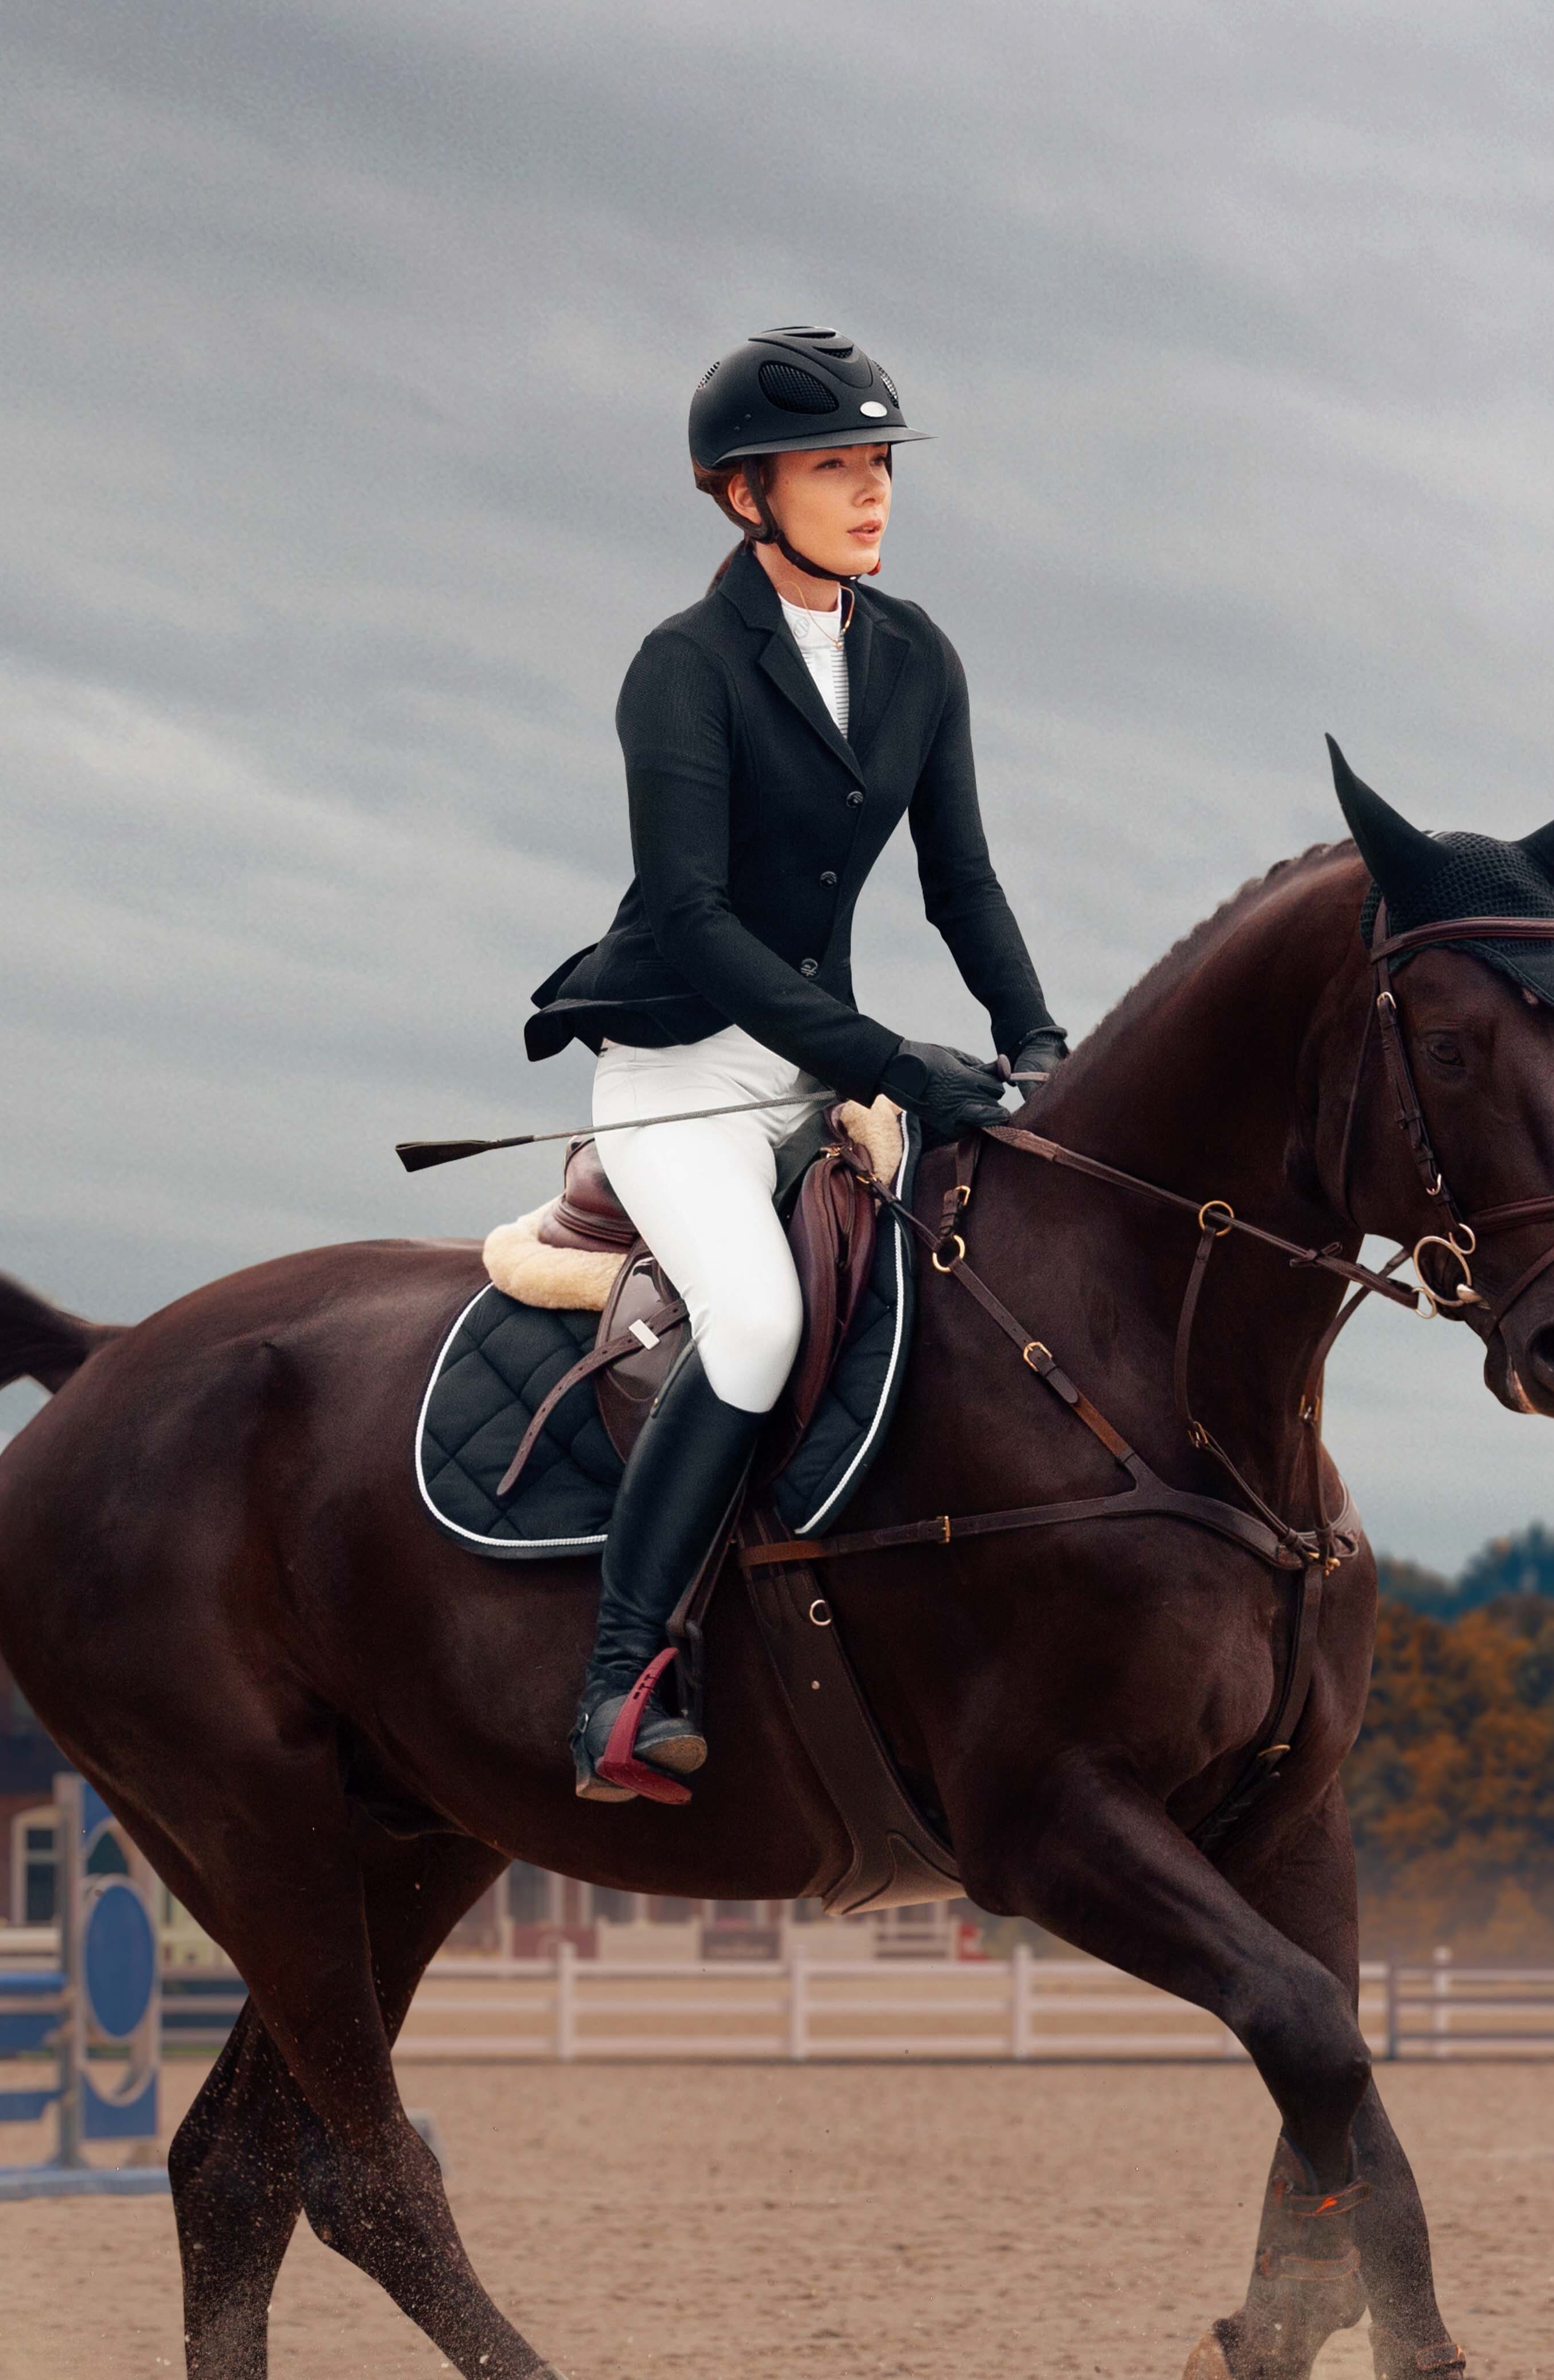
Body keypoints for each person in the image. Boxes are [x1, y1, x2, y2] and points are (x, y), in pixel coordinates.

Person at [521, 326, 1070, 1805]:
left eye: (881, 463)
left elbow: (962, 883)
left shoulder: (916, 659)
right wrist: (895, 1059)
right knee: (756, 1321)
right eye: (837, 466)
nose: (875, 492)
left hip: (820, 1068)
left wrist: (1038, 1047)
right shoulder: (683, 669)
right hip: (682, 1070)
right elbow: (694, 923)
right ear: (743, 495)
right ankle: (625, 1682)